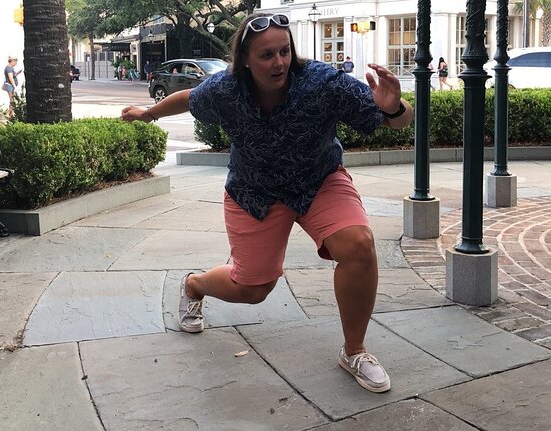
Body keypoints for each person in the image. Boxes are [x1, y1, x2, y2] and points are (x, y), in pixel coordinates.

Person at [121, 13, 413, 393]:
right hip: (254, 191)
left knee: (358, 244)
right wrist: (148, 113)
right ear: (245, 59)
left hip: (318, 181)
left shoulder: (322, 81)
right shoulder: (226, 89)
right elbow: (189, 99)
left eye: (284, 51)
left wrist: (394, 108)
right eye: (266, 55)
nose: (279, 62)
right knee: (253, 289)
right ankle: (194, 285)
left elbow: (395, 121)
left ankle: (354, 350)